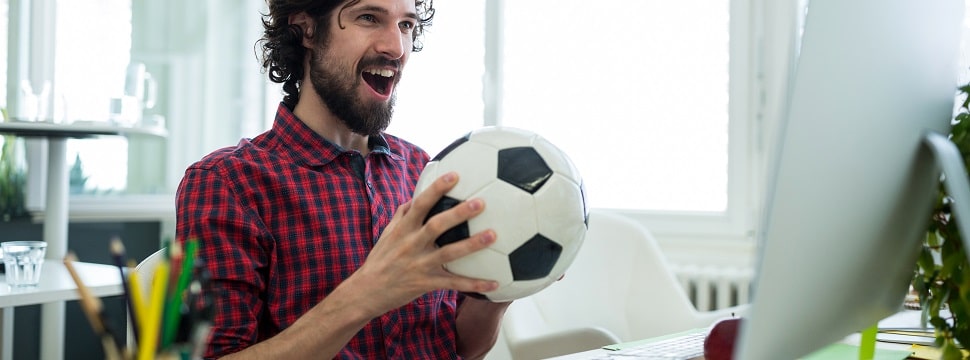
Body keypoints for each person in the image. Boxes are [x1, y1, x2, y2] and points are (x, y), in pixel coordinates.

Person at [175, 0, 511, 358]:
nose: (395, 47)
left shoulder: (425, 171)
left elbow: (454, 346)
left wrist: (501, 290)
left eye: (406, 26)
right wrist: (366, 294)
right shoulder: (228, 184)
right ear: (306, 28)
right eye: (369, 17)